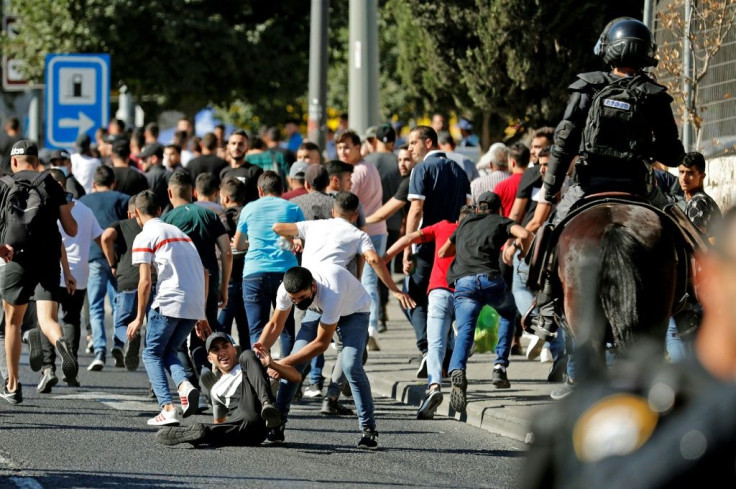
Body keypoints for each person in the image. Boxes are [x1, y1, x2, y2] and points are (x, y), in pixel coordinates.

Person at [522, 207, 736, 489]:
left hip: (618, 180)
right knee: (553, 227)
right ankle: (545, 301)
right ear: (710, 277)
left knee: (552, 222)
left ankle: (546, 299)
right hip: (625, 181)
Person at [527, 17, 687, 342]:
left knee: (551, 231)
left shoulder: (586, 86)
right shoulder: (654, 94)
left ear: (608, 49)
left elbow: (562, 144)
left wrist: (549, 191)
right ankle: (689, 306)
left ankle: (544, 306)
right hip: (640, 189)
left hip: (588, 186)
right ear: (645, 53)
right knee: (684, 235)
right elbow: (673, 156)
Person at [255, 265, 380, 449]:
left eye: (302, 297)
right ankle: (277, 424)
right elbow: (274, 325)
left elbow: (321, 343)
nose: (298, 303)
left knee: (350, 365)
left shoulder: (331, 292)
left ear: (313, 286)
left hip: (354, 312)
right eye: (293, 300)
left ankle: (368, 429)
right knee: (294, 365)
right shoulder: (285, 289)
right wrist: (257, 355)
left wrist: (279, 363)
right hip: (318, 311)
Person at [0, 140, 78, 404]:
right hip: (47, 259)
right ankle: (60, 343)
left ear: (13, 162)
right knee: (47, 319)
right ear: (37, 161)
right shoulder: (50, 184)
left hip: (16, 259)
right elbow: (71, 230)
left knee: (13, 322)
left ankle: (13, 384)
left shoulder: (5, 184)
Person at [439, 192, 531, 412]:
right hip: (490, 281)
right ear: (499, 209)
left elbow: (444, 252)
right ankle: (500, 365)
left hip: (464, 284)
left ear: (477, 208)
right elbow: (526, 234)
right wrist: (522, 251)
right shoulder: (501, 221)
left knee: (465, 330)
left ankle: (457, 370)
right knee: (508, 312)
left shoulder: (465, 222)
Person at [383, 205, 475, 419]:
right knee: (460, 341)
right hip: (467, 293)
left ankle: (434, 387)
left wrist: (386, 257)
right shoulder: (478, 233)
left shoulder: (444, 227)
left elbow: (409, 239)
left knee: (435, 345)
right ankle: (456, 371)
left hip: (440, 293)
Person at [129, 191, 211, 426]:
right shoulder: (182, 235)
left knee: (151, 353)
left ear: (136, 214)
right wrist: (202, 314)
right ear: (159, 211)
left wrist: (137, 318)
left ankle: (167, 407)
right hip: (194, 304)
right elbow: (204, 273)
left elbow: (144, 282)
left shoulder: (145, 236)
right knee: (169, 351)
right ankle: (185, 386)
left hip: (168, 301)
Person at [403, 126, 471, 375]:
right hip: (454, 248)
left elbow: (416, 210)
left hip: (428, 245)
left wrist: (407, 248)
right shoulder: (460, 171)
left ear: (428, 143)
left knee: (412, 297)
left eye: (413, 143)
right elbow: (468, 211)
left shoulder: (421, 169)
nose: (410, 149)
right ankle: (447, 351)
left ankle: (427, 349)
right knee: (446, 296)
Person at [155, 332, 300, 447]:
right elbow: (220, 421)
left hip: (263, 416)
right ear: (210, 358)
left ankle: (267, 404)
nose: (222, 352)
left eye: (225, 346)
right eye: (215, 349)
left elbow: (296, 377)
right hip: (246, 431)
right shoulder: (215, 390)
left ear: (234, 349)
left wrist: (272, 364)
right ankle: (197, 433)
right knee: (205, 430)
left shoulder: (252, 364)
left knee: (248, 354)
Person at [162, 170, 232, 389]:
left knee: (178, 341)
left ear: (169, 193)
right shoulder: (208, 215)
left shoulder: (167, 220)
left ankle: (189, 386)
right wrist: (223, 287)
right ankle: (206, 378)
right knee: (205, 333)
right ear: (193, 192)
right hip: (208, 282)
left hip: (179, 285)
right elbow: (227, 252)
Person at [36, 169, 103, 393]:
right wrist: (111, 263)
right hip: (80, 272)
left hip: (52, 270)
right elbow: (100, 237)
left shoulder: (44, 204)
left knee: (47, 320)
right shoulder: (84, 209)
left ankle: (49, 369)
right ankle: (70, 369)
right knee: (72, 319)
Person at [233, 171, 305, 357]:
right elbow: (303, 240)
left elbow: (238, 245)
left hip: (254, 273)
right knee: (287, 327)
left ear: (260, 190)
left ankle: (260, 375)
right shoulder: (293, 208)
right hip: (286, 272)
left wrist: (252, 243)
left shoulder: (248, 209)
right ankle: (286, 376)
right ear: (282, 190)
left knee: (256, 329)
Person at [79, 165, 130, 371]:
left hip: (93, 257)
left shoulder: (83, 201)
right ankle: (118, 344)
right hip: (118, 259)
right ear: (114, 183)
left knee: (95, 306)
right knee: (119, 304)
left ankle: (99, 350)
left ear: (93, 184)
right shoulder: (122, 199)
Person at [100, 197, 153, 372]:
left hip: (128, 282)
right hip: (153, 282)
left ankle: (130, 338)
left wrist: (113, 263)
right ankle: (153, 380)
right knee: (152, 329)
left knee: (120, 325)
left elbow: (106, 237)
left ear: (132, 213)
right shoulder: (155, 227)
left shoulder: (121, 225)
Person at [217, 177, 249, 348]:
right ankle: (248, 366)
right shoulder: (249, 214)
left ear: (225, 198)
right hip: (248, 279)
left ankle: (223, 367)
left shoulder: (221, 218)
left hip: (227, 280)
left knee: (222, 329)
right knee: (247, 330)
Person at [677, 151, 721, 237]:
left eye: (690, 173)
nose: (684, 177)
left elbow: (697, 242)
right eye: (681, 172)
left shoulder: (697, 202)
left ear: (701, 177)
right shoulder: (702, 199)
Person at [220, 130, 263, 205]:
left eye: (241, 144)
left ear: (247, 147)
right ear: (228, 147)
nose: (236, 147)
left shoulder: (255, 171)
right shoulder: (223, 172)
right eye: (233, 143)